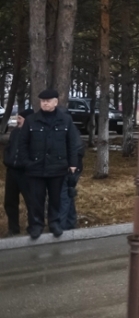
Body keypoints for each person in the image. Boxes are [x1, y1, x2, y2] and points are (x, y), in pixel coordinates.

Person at [17, 90, 82, 239]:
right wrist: (26, 162)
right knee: (36, 199)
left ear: (55, 102)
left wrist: (73, 164)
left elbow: (72, 144)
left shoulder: (65, 120)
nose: (45, 103)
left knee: (56, 198)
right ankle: (36, 225)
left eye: (48, 100)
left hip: (57, 167)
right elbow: (23, 143)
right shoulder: (32, 120)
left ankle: (54, 223)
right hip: (35, 168)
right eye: (42, 101)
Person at [3, 109, 30, 236]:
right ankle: (13, 229)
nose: (17, 121)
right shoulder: (14, 133)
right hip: (12, 171)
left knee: (31, 201)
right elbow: (8, 148)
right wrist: (7, 160)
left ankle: (34, 227)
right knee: (10, 201)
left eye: (20, 118)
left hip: (26, 173)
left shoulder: (33, 134)